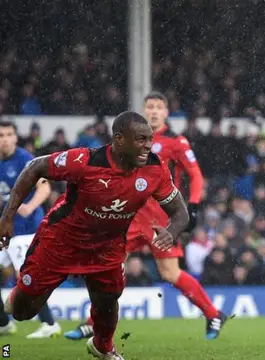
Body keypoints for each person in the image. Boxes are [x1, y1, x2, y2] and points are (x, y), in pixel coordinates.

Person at [0, 112, 190, 360]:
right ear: (119, 139)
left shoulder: (155, 169)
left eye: (149, 139)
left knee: (108, 303)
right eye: (141, 139)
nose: (148, 145)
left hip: (107, 247)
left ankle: (103, 346)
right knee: (22, 312)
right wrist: (7, 217)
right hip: (61, 241)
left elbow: (180, 213)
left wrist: (171, 231)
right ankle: (21, 293)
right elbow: (35, 167)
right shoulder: (84, 160)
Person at [65, 92, 229, 342]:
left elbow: (195, 175)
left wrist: (193, 207)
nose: (153, 111)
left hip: (159, 220)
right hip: (127, 216)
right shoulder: (130, 139)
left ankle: (213, 313)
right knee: (108, 267)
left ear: (166, 113)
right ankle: (92, 323)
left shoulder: (176, 142)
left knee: (169, 273)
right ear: (143, 111)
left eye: (158, 107)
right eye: (149, 107)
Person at [0, 121, 62, 338]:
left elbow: (44, 186)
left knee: (25, 277)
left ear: (16, 138)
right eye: (1, 135)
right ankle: (3, 323)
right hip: (6, 231)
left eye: (9, 134)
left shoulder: (24, 159)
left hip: (26, 230)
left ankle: (49, 323)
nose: (5, 139)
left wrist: (30, 207)